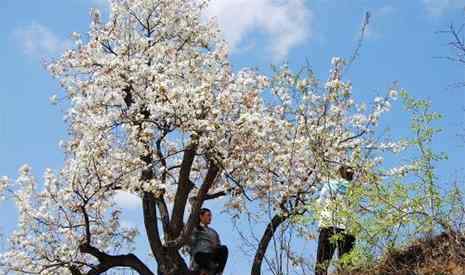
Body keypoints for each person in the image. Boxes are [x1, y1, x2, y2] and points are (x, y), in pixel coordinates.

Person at [315, 165, 356, 275]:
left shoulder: (329, 185)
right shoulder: (353, 189)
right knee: (346, 265)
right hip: (348, 228)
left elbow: (320, 203)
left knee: (322, 263)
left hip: (328, 224)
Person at [190, 208, 228, 275]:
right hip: (200, 258)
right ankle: (207, 269)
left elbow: (219, 247)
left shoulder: (214, 232)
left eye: (211, 216)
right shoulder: (195, 228)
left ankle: (218, 272)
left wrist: (216, 246)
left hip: (211, 256)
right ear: (201, 216)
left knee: (224, 249)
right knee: (199, 256)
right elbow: (189, 241)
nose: (210, 217)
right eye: (208, 215)